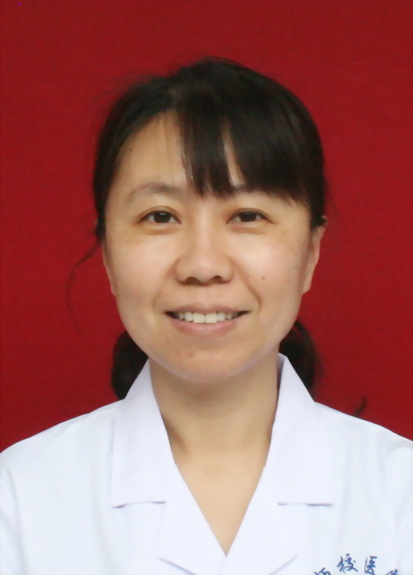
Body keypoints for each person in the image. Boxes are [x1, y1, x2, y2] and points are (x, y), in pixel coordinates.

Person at [0, 57, 411, 575]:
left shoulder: (400, 495)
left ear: (310, 252)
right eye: (160, 216)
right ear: (107, 253)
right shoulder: (19, 500)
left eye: (247, 216)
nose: (202, 265)